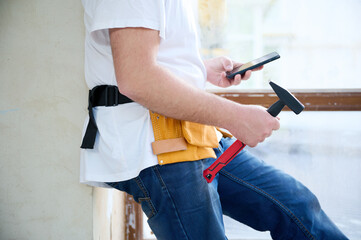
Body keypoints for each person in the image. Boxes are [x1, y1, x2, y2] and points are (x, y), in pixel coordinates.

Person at [80, 0, 348, 239]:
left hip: (194, 136)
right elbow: (137, 79)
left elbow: (148, 58)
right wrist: (236, 116)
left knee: (297, 207)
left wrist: (199, 68)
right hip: (158, 148)